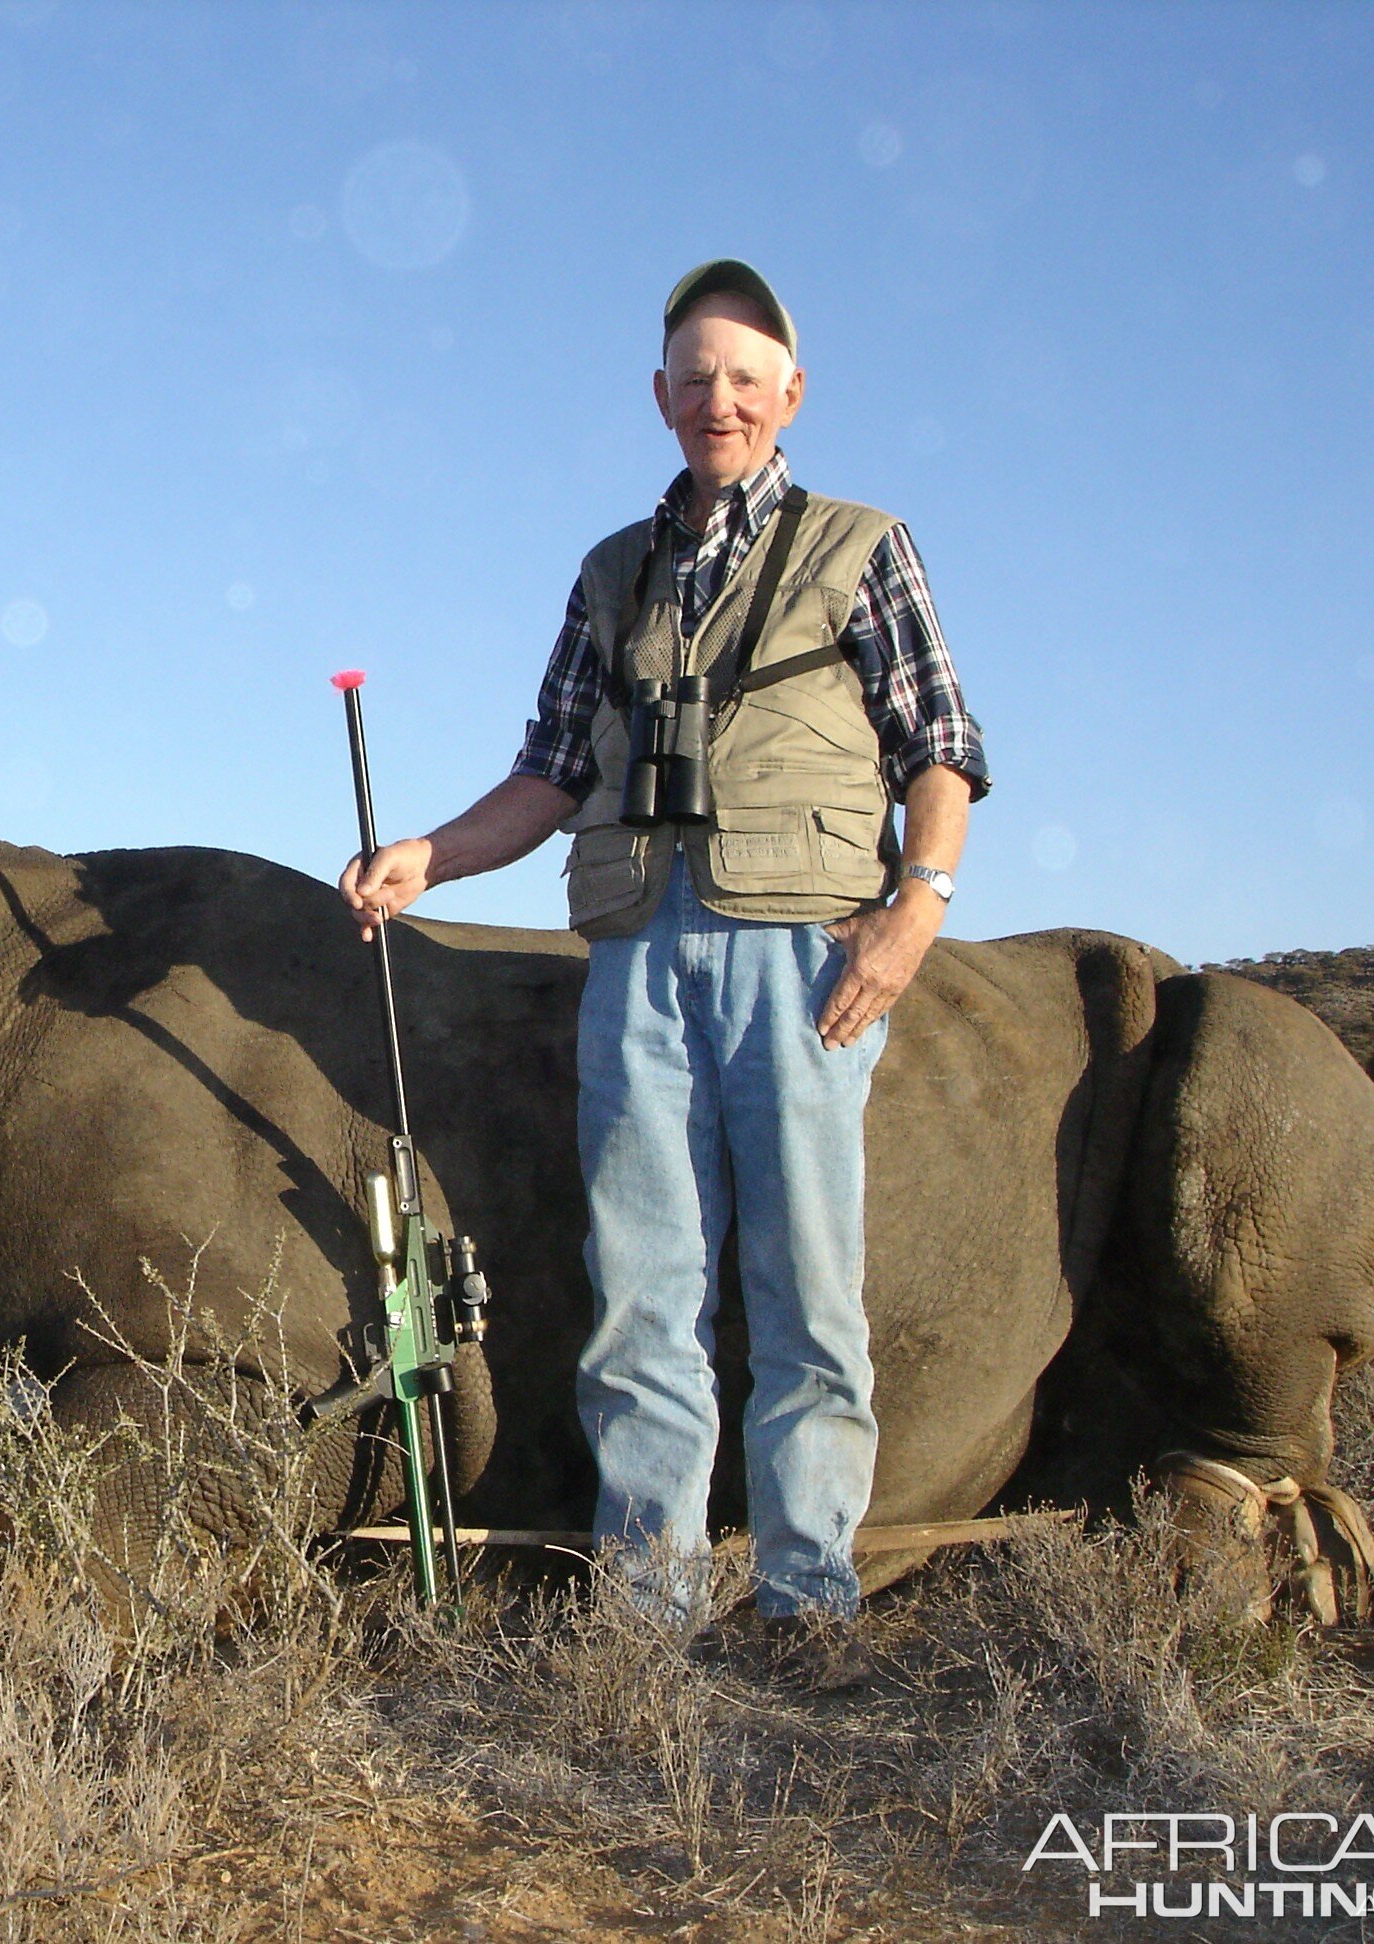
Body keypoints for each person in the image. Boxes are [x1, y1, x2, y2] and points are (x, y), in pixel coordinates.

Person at [339, 260, 988, 1655]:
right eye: (695, 379)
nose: (721, 401)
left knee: (806, 1300)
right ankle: (651, 1624)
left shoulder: (863, 545)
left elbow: (943, 748)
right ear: (660, 398)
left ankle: (810, 1610)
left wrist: (913, 911)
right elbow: (552, 773)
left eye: (746, 379)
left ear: (790, 395)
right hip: (640, 962)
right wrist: (428, 860)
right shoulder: (610, 574)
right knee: (642, 1306)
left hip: (799, 962)